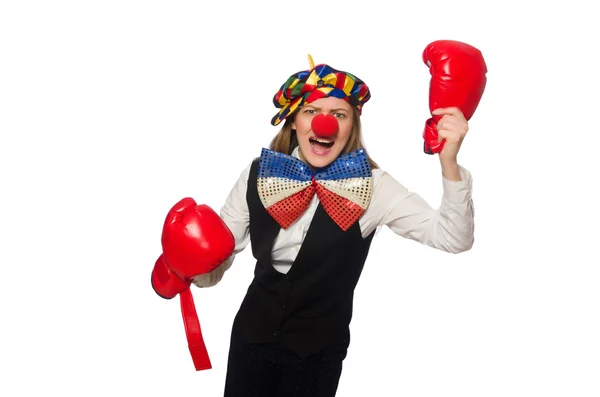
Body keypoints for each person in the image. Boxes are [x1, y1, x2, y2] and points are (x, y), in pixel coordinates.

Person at [190, 51, 478, 396]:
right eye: (311, 111)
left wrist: (450, 162)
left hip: (317, 354)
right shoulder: (257, 175)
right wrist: (187, 267)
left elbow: (453, 238)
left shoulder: (374, 186)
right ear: (294, 121)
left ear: (351, 126)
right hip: (251, 339)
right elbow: (215, 264)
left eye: (338, 114)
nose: (324, 123)